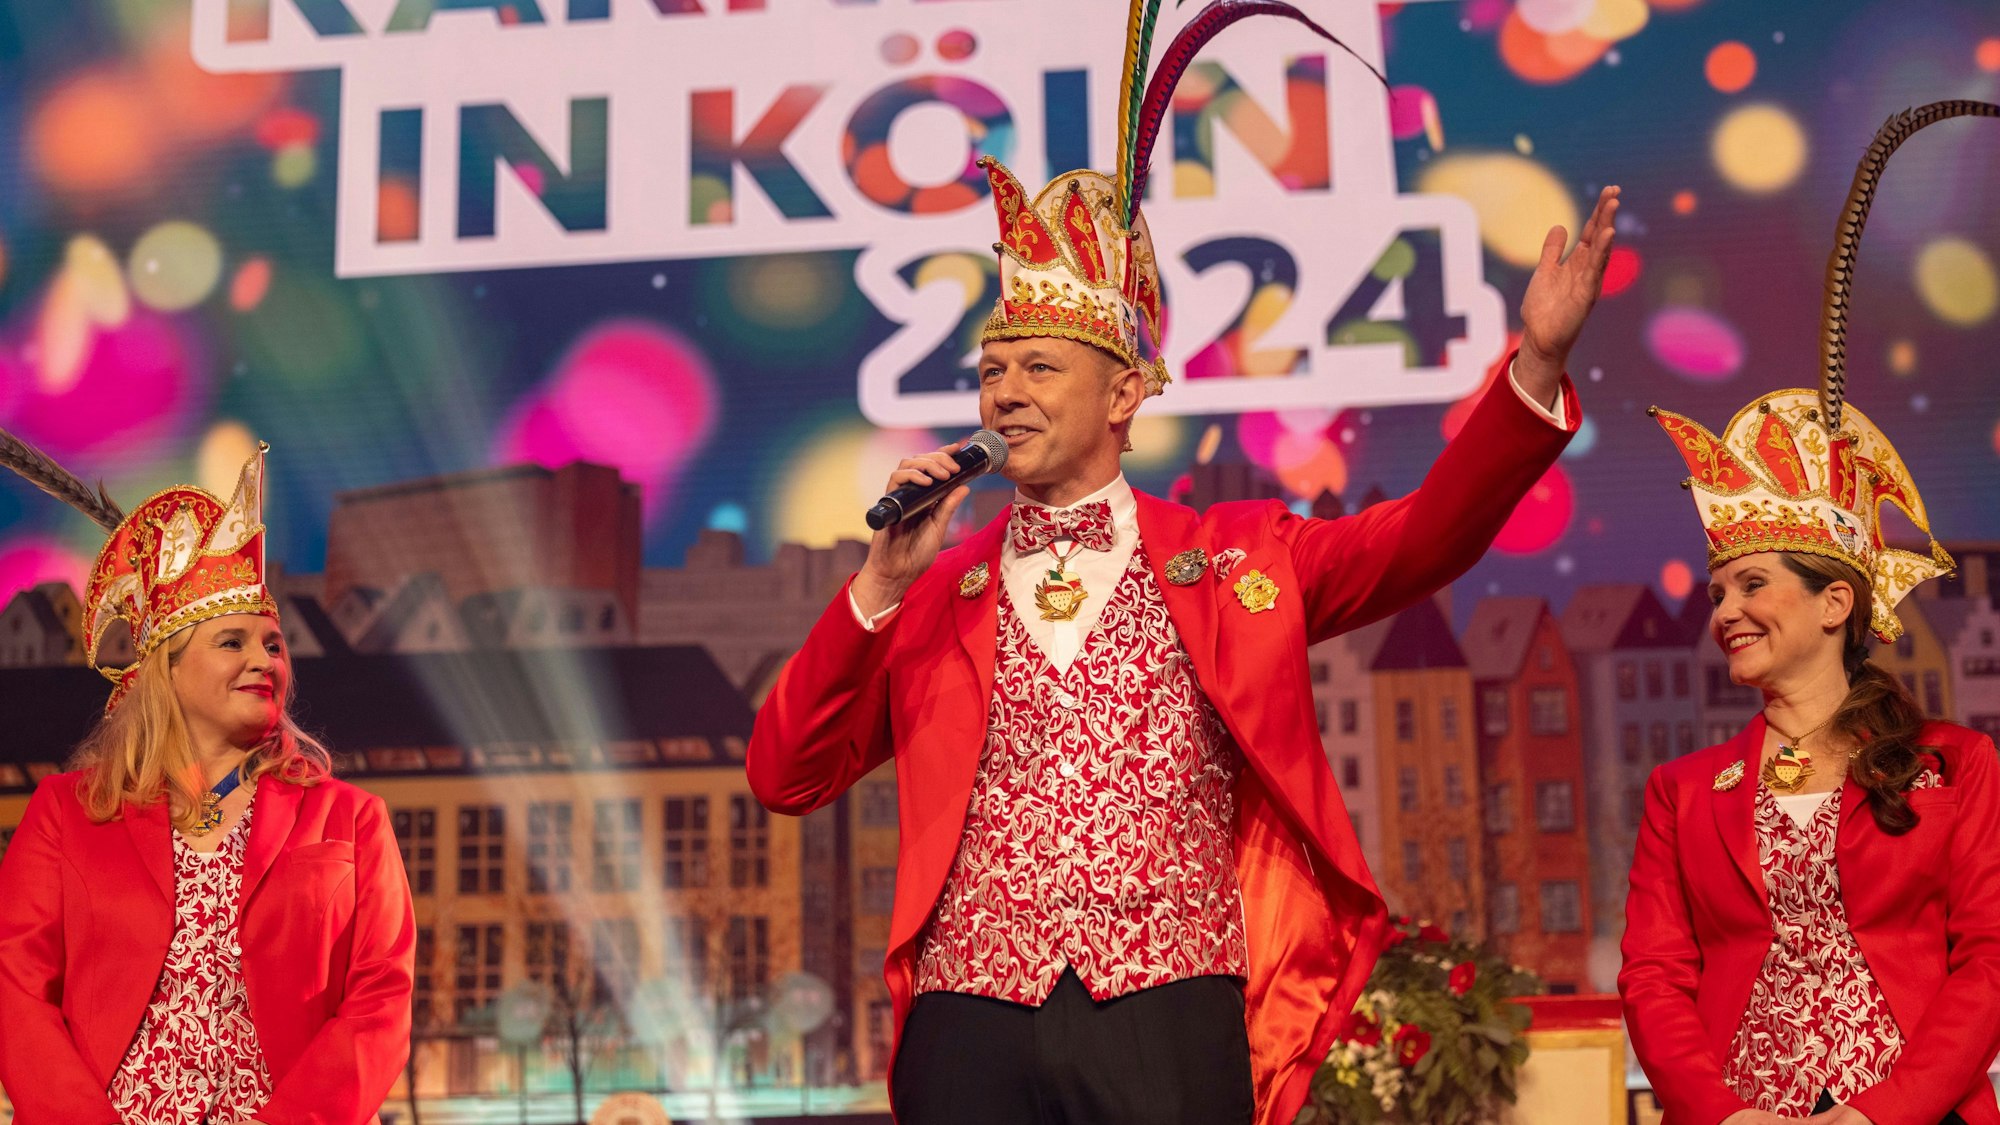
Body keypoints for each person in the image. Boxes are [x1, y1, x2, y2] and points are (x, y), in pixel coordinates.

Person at [748, 4, 1619, 1121]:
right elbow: (786, 775)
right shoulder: (939, 596)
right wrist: (876, 586)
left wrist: (1532, 364)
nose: (1003, 392)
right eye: (991, 368)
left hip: (1166, 1008)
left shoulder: (1235, 562)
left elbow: (1424, 536)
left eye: (1037, 368)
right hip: (968, 1015)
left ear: (1123, 396)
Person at [1622, 101, 2000, 1125]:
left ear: (1836, 600)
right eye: (1714, 593)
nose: (1725, 612)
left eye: (1751, 586)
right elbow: (1653, 978)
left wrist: (1881, 1114)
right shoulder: (1680, 793)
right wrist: (1722, 1114)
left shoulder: (1955, 769)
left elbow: (1987, 963)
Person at [0, 441, 415, 1125]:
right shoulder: (64, 815)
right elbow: (15, 991)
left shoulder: (351, 821)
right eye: (233, 642)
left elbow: (380, 1000)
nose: (265, 659)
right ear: (168, 669)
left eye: (273, 644)